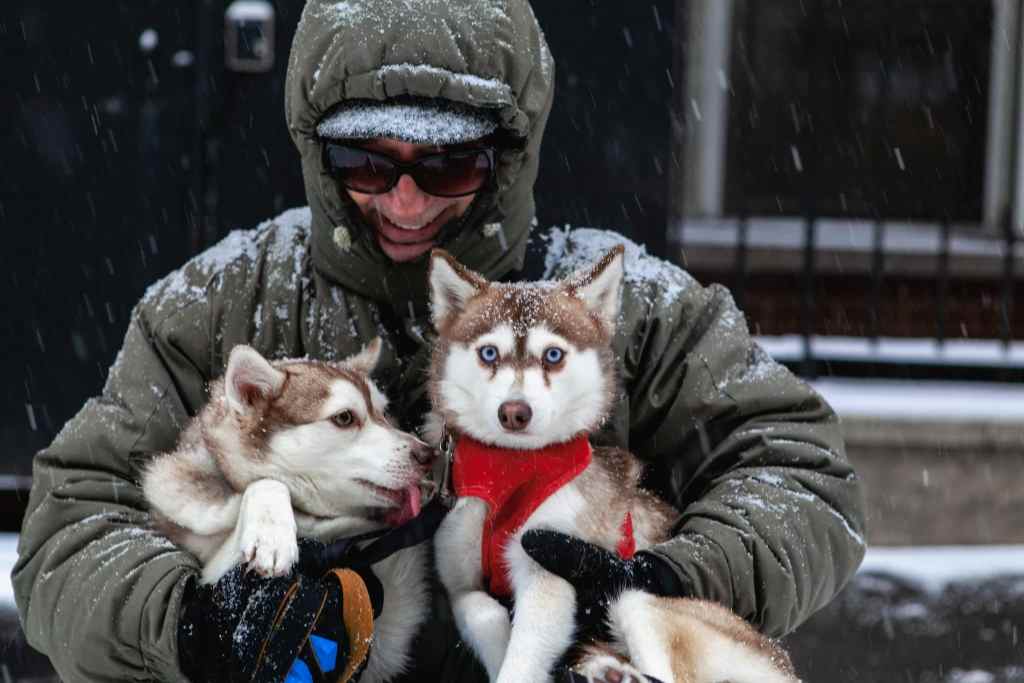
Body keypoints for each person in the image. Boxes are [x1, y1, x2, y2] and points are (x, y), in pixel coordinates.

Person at [12, 0, 867, 681]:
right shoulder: (222, 301)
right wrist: (187, 624)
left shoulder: (621, 306)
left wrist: (674, 578)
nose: (406, 202)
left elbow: (801, 474)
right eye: (365, 163)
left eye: (448, 166)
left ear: (508, 156)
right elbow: (70, 527)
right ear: (317, 151)